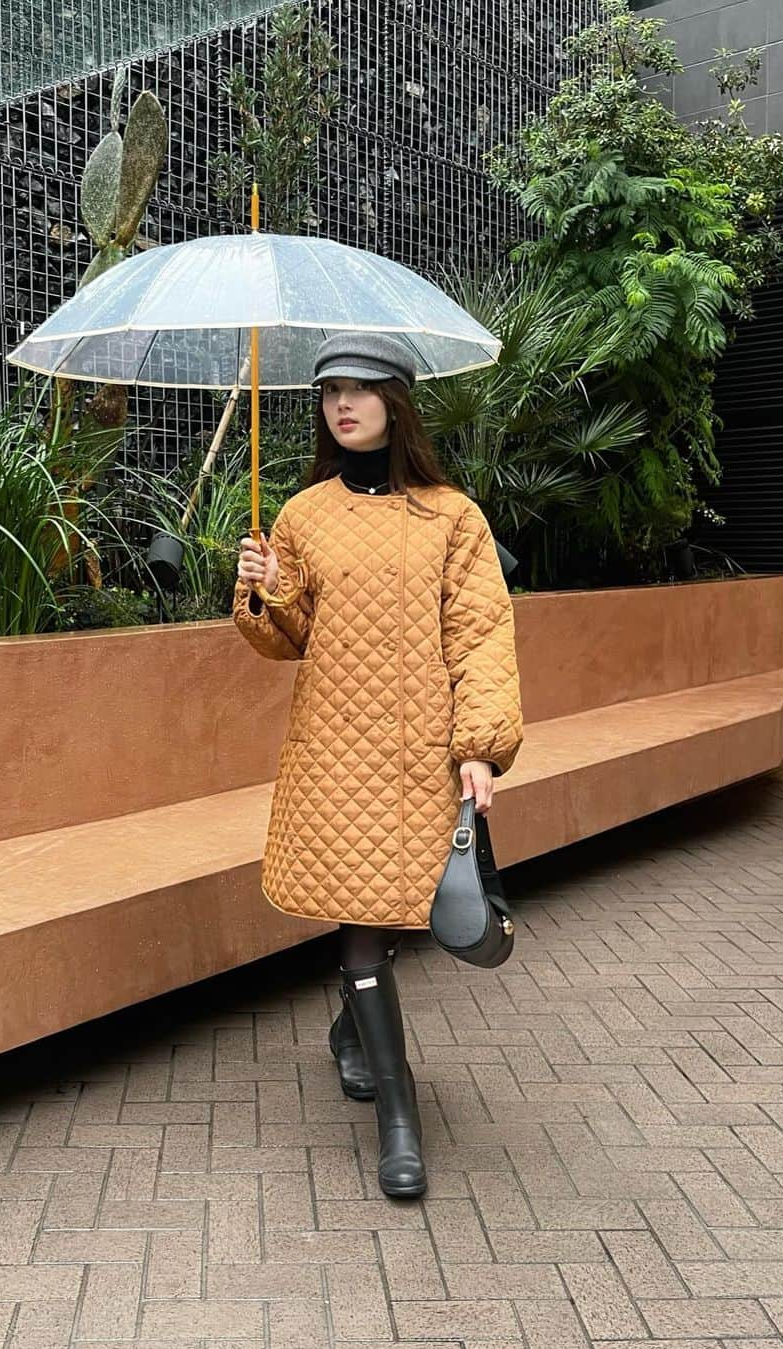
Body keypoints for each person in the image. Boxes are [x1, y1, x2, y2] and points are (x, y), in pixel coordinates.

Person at [232, 331, 524, 1199]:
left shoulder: (452, 516)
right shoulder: (301, 515)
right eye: (330, 392)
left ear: (397, 401)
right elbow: (283, 642)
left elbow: (481, 634)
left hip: (425, 755)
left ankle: (350, 1028)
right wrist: (261, 589)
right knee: (362, 921)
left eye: (361, 389)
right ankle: (400, 1118)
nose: (342, 404)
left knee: (400, 914)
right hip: (336, 753)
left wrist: (481, 745)